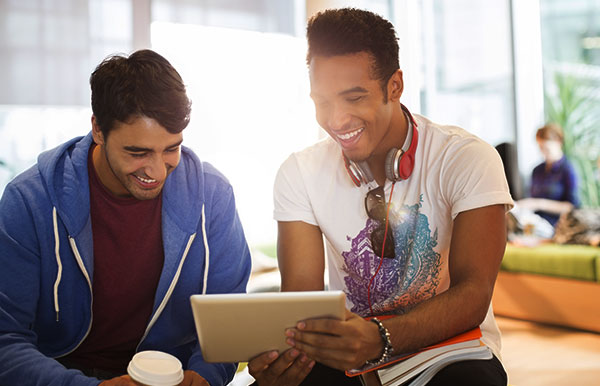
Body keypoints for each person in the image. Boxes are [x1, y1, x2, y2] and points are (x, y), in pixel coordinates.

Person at [248, 8, 512, 386]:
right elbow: (300, 305)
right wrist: (283, 356)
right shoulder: (299, 172)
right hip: (347, 356)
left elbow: (474, 294)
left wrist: (380, 338)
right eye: (322, 102)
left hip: (447, 352)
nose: (336, 119)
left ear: (395, 86)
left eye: (354, 98)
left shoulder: (467, 157)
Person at [0, 49, 252, 386]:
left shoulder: (214, 196)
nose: (157, 170)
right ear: (98, 130)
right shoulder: (28, 201)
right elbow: (6, 339)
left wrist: (205, 377)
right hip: (62, 374)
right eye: (138, 152)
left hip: (172, 376)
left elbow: (229, 321)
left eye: (171, 148)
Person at [516, 123, 580, 227]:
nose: (544, 153)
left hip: (559, 226)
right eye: (541, 148)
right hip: (536, 224)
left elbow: (572, 207)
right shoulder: (537, 170)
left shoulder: (568, 169)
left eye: (547, 148)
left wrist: (539, 204)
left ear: (558, 143)